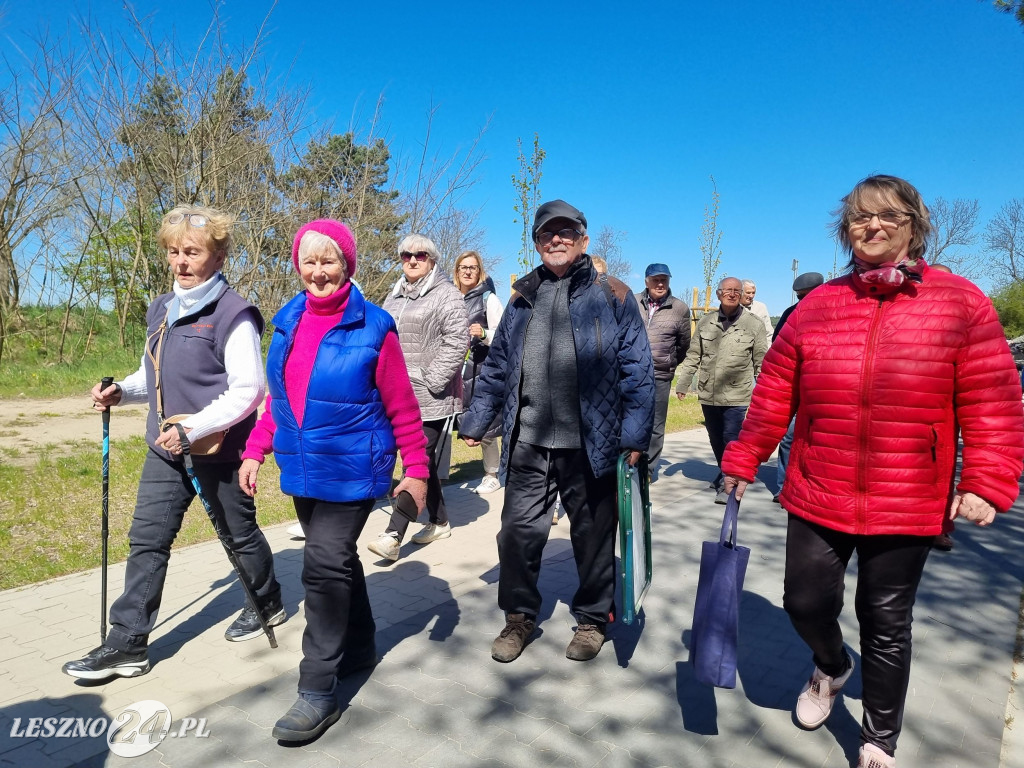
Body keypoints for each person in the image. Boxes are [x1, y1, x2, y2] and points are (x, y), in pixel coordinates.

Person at [721, 175, 1024, 768]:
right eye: (860, 218)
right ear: (846, 231)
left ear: (914, 224)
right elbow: (776, 390)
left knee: (885, 621)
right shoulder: (817, 306)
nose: (873, 226)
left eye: (889, 215)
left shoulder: (961, 301)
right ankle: (831, 668)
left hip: (908, 495)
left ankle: (879, 738)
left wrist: (986, 481)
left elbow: (991, 398)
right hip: (817, 486)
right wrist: (742, 457)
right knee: (804, 604)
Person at [63, 205, 284, 681]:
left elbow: (249, 390)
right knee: (148, 539)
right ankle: (127, 643)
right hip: (165, 445)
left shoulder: (234, 313)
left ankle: (267, 600)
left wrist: (194, 428)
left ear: (218, 255)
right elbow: (154, 374)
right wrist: (122, 392)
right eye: (173, 252)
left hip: (218, 448)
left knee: (237, 534)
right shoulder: (161, 308)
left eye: (192, 252)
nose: (181, 261)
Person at [237, 219, 429, 742]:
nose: (319, 271)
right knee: (338, 561)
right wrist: (255, 451)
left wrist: (417, 471)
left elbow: (402, 406)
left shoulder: (375, 326)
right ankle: (361, 646)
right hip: (302, 468)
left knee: (321, 566)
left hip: (354, 468)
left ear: (348, 265)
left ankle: (317, 689)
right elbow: (280, 399)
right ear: (298, 265)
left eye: (330, 261)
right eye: (310, 261)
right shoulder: (287, 322)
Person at [459, 199, 654, 664]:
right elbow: (499, 364)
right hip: (529, 441)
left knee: (592, 535)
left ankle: (591, 618)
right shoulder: (522, 297)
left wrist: (633, 437)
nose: (557, 240)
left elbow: (638, 372)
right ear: (537, 243)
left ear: (584, 240)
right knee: (516, 534)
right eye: (548, 234)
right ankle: (519, 617)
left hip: (591, 442)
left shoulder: (615, 296)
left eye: (567, 232)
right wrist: (477, 418)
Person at [367, 234, 468, 562]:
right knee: (415, 461)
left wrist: (432, 380)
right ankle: (439, 521)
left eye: (420, 255)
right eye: (406, 255)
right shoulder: (393, 296)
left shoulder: (447, 295)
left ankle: (393, 534)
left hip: (431, 398)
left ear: (432, 259)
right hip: (394, 396)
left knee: (418, 459)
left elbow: (457, 341)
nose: (412, 260)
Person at [676, 276, 768, 503]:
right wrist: (683, 383)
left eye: (737, 290)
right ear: (718, 294)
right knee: (715, 438)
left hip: (738, 394)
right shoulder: (706, 322)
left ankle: (728, 480)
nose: (732, 294)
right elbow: (693, 355)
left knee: (731, 438)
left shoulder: (753, 324)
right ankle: (724, 469)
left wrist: (764, 392)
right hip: (709, 392)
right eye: (727, 290)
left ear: (742, 295)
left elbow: (761, 361)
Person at [453, 250, 505, 495]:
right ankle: (438, 476)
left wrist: (484, 335)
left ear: (480, 270)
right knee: (445, 423)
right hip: (452, 370)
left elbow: (506, 337)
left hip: (480, 370)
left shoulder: (489, 300)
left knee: (484, 425)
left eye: (472, 267)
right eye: (463, 267)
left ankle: (491, 474)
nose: (467, 271)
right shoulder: (448, 298)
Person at [771, 271, 824, 503]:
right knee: (789, 438)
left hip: (824, 389)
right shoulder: (790, 314)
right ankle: (784, 488)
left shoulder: (835, 313)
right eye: (799, 296)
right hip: (796, 387)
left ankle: (814, 487)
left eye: (807, 295)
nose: (803, 301)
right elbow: (777, 347)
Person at [635, 263, 691, 478]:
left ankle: (647, 470)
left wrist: (670, 363)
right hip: (632, 372)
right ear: (646, 281)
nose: (660, 284)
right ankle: (628, 465)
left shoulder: (679, 308)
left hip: (660, 374)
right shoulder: (632, 302)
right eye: (655, 280)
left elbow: (684, 344)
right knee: (629, 418)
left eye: (664, 280)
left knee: (656, 424)